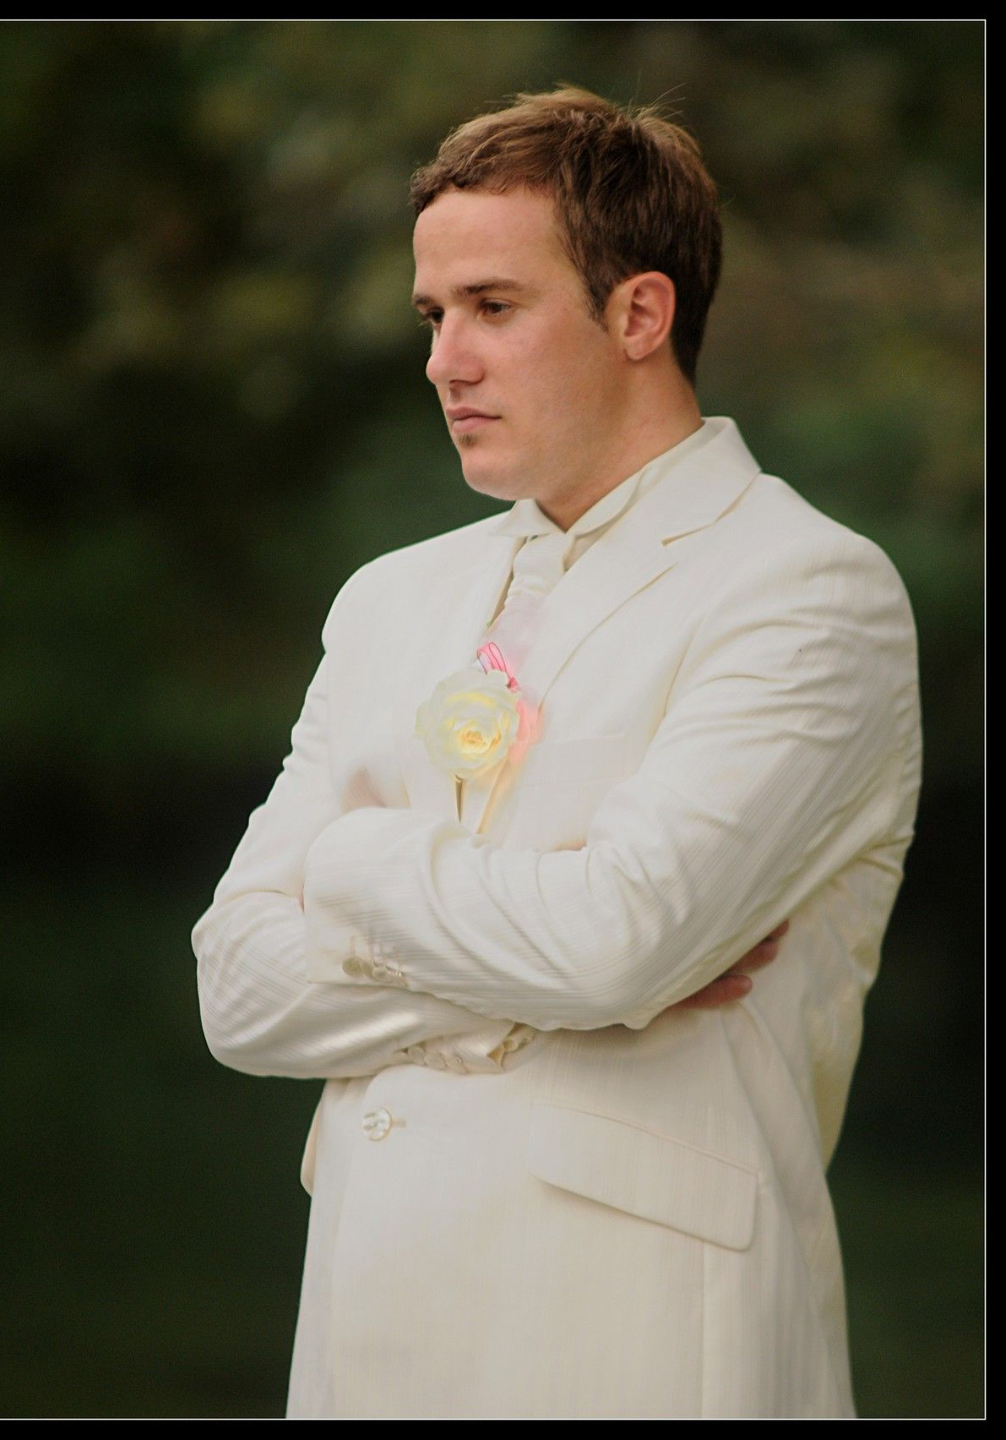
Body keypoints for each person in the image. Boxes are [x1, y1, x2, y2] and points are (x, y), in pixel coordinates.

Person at [192, 86, 922, 1419]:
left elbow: (615, 943)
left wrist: (351, 868)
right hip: (366, 1332)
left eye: (492, 306)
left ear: (639, 314)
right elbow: (237, 991)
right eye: (433, 316)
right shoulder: (388, 598)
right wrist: (560, 966)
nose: (444, 362)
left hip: (639, 1345)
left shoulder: (809, 589)